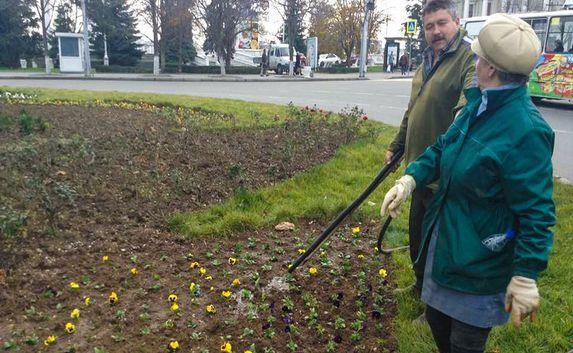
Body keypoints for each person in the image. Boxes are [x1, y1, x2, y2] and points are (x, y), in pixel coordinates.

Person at [381, 13, 555, 353]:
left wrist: (525, 275)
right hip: (446, 247)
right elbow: (443, 147)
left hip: (479, 265)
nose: (474, 62)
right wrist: (411, 179)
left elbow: (537, 214)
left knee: (464, 343)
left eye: (478, 57)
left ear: (490, 68)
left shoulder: (526, 130)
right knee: (436, 321)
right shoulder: (477, 105)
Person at [385, 0, 476, 298]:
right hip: (419, 170)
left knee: (439, 243)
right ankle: (419, 285)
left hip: (446, 173)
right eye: (429, 26)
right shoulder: (426, 61)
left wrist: (465, 112)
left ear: (456, 21)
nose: (435, 31)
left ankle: (436, 302)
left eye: (441, 23)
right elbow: (413, 109)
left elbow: (470, 103)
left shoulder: (469, 58)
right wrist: (396, 145)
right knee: (418, 236)